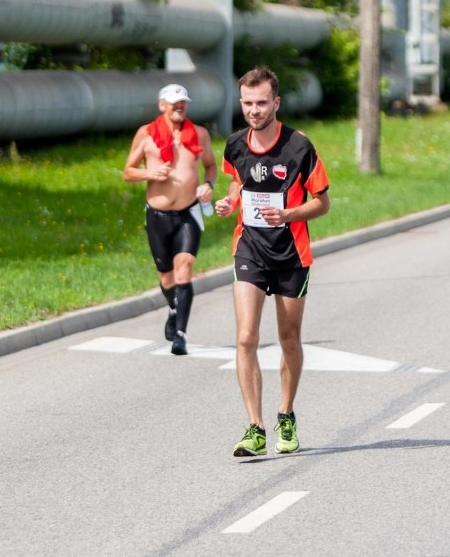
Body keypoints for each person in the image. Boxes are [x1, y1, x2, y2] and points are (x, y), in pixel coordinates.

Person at [215, 66, 331, 457]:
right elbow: (237, 182)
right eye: (247, 103)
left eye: (261, 103)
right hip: (249, 248)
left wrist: (289, 215)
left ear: (276, 103)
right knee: (246, 336)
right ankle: (255, 427)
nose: (254, 110)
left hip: (291, 254)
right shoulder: (234, 145)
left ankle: (285, 414)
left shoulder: (299, 147)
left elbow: (322, 203)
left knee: (288, 339)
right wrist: (230, 201)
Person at [123, 84, 217, 355]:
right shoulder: (146, 134)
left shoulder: (199, 134)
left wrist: (209, 185)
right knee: (166, 277)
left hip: (189, 212)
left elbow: (210, 165)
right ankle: (173, 308)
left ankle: (181, 335)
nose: (180, 106)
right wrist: (150, 174)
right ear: (162, 105)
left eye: (183, 102)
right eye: (174, 102)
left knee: (185, 267)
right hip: (158, 215)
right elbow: (128, 172)